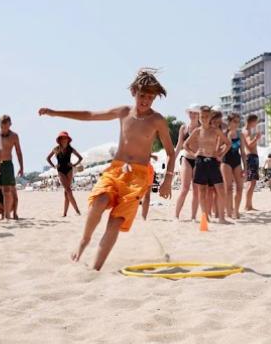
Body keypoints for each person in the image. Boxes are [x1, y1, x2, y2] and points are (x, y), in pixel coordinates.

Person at [39, 69, 175, 269]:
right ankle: (84, 240)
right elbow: (89, 115)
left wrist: (167, 181)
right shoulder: (123, 112)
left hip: (138, 176)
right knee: (99, 200)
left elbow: (171, 152)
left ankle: (95, 268)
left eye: (150, 97)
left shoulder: (157, 120)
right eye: (142, 95)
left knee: (115, 221)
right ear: (134, 92)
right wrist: (55, 112)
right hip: (116, 169)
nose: (145, 101)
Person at [185, 106, 230, 224]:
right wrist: (194, 154)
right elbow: (185, 145)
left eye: (206, 116)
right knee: (202, 190)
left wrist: (220, 155)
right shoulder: (197, 131)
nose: (204, 119)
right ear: (199, 117)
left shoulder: (215, 130)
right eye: (202, 117)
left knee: (220, 189)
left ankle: (222, 218)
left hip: (213, 161)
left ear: (210, 117)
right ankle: (205, 217)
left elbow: (228, 143)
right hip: (201, 161)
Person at [173, 104, 201, 221]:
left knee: (196, 190)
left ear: (199, 114)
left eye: (195, 113)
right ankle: (176, 215)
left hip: (199, 160)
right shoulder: (184, 128)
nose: (193, 115)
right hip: (186, 158)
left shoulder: (202, 128)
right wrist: (173, 159)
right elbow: (179, 144)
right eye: (191, 112)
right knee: (184, 188)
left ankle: (193, 217)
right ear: (188, 114)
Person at [46, 131, 83, 217]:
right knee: (68, 190)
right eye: (62, 138)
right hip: (60, 171)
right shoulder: (56, 149)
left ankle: (65, 213)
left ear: (68, 139)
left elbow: (80, 158)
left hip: (69, 170)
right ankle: (77, 210)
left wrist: (74, 165)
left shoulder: (70, 149)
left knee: (67, 192)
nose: (64, 139)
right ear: (59, 140)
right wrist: (54, 166)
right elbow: (48, 158)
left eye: (65, 138)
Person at [0, 115, 24, 219]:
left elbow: (18, 152)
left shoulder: (14, 136)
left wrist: (21, 167)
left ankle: (11, 214)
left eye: (5, 125)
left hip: (8, 164)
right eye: (1, 125)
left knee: (9, 190)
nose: (3, 127)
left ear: (10, 124)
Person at [221, 113, 246, 219]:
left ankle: (236, 210)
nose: (237, 124)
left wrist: (246, 167)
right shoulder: (224, 133)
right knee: (228, 188)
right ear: (229, 122)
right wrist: (227, 142)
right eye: (234, 121)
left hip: (237, 162)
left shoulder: (240, 135)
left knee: (240, 188)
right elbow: (219, 149)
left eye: (238, 122)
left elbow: (243, 152)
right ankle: (228, 211)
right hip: (226, 161)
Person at [243, 114, 261, 211]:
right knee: (251, 183)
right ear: (252, 121)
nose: (256, 124)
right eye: (256, 122)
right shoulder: (247, 131)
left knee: (251, 182)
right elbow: (249, 145)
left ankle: (249, 205)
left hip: (251, 157)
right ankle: (247, 205)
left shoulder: (247, 130)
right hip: (251, 157)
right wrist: (256, 138)